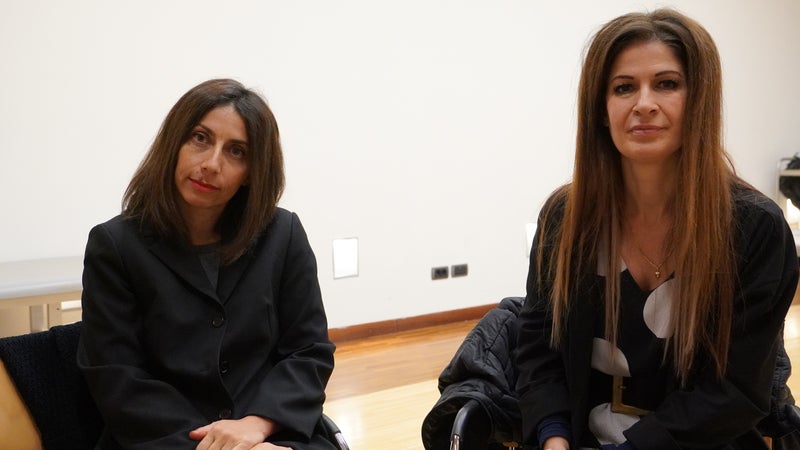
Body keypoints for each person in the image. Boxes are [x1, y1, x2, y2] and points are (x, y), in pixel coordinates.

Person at [513, 9, 799, 450]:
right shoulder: (565, 219)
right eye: (623, 87)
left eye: (666, 84)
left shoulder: (754, 227)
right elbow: (538, 348)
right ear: (602, 110)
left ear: (699, 100)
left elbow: (735, 390)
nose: (644, 103)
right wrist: (553, 438)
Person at [77, 79, 336, 449]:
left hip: (270, 429)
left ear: (252, 172)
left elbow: (308, 351)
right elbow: (118, 377)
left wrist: (257, 426)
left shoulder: (283, 233)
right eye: (200, 138)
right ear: (174, 143)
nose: (212, 164)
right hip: (166, 440)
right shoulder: (115, 246)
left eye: (236, 151)